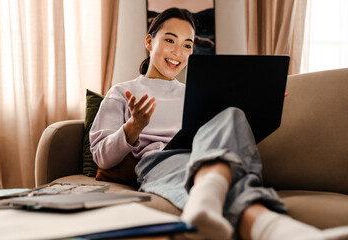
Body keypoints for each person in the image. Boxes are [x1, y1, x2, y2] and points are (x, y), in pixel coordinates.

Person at [90, 8, 340, 240]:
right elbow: (102, 157)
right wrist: (134, 126)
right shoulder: (123, 92)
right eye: (169, 40)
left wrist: (261, 106)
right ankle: (290, 233)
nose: (178, 52)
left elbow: (224, 133)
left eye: (187, 45)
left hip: (209, 153)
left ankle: (205, 203)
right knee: (235, 181)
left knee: (232, 114)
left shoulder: (196, 91)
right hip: (164, 161)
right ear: (149, 42)